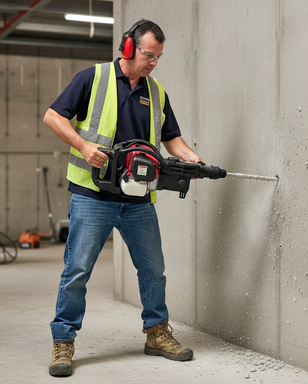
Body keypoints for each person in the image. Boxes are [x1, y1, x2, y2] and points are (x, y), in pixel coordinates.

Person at [43, 20, 203, 377]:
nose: (154, 62)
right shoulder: (92, 78)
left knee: (153, 271)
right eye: (149, 54)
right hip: (92, 195)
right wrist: (83, 146)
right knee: (77, 272)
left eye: (159, 57)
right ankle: (63, 341)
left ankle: (156, 333)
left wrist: (193, 159)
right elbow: (52, 116)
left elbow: (171, 138)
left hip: (137, 199)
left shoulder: (156, 92)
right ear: (128, 48)